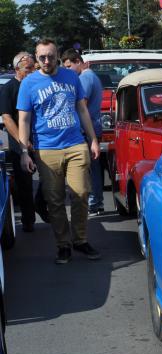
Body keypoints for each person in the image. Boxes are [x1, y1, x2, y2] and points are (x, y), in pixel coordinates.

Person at [17, 39, 101, 264]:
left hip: (75, 144)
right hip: (46, 149)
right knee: (54, 201)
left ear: (57, 56)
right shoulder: (29, 83)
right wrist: (24, 151)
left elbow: (82, 109)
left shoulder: (71, 77)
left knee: (81, 194)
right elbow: (24, 120)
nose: (46, 61)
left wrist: (93, 140)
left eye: (51, 56)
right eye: (42, 57)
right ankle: (63, 245)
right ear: (36, 57)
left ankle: (80, 240)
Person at [61, 49, 104, 216]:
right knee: (93, 168)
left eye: (69, 66)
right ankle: (96, 202)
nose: (67, 70)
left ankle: (94, 202)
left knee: (89, 169)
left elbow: (81, 105)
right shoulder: (91, 76)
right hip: (92, 127)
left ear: (78, 61)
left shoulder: (85, 78)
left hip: (87, 129)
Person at [0, 52, 37, 232]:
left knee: (52, 177)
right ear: (17, 69)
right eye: (28, 68)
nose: (32, 72)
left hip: (41, 139)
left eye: (33, 68)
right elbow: (7, 118)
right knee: (25, 183)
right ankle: (28, 220)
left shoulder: (36, 85)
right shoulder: (8, 89)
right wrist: (23, 142)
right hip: (18, 143)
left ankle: (41, 205)